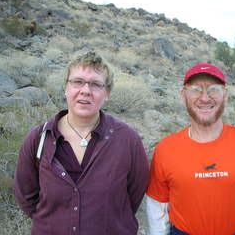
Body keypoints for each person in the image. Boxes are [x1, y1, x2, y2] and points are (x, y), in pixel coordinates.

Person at [14, 51, 149, 235]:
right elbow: (26, 197)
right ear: (66, 88)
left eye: (95, 84)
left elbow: (134, 195)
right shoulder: (39, 139)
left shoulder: (127, 139)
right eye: (77, 82)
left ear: (107, 93)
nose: (85, 90)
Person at [146, 63, 235, 235]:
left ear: (225, 95)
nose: (205, 98)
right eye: (196, 89)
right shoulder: (165, 149)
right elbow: (157, 208)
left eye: (213, 89)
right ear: (184, 95)